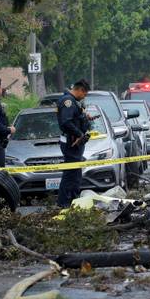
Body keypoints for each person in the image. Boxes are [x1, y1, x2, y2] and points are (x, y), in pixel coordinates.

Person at [56, 79, 91, 208]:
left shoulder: (74, 102)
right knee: (71, 174)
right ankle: (64, 203)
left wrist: (85, 118)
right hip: (71, 142)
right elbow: (66, 122)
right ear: (80, 90)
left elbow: (75, 119)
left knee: (75, 174)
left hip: (75, 142)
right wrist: (79, 134)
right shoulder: (68, 101)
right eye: (85, 94)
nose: (84, 97)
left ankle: (73, 201)